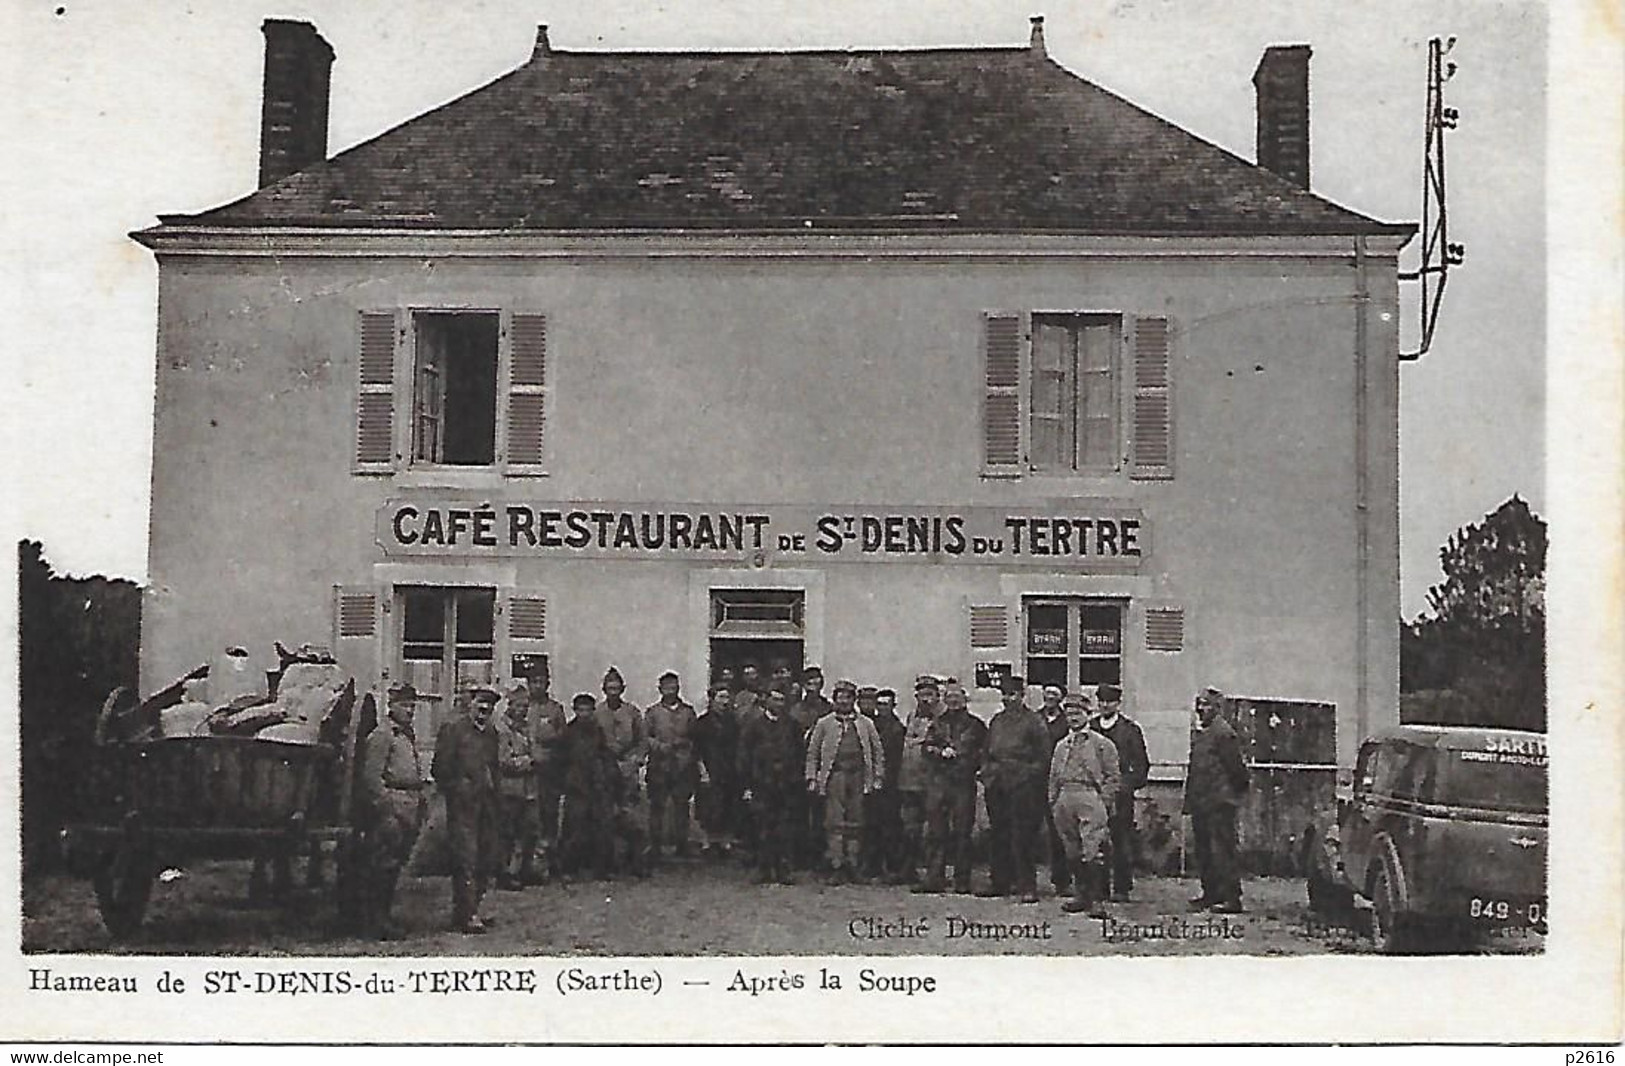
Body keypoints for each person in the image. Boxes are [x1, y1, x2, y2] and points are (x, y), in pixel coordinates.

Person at [357, 681, 431, 939]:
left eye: (412, 706)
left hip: (409, 805)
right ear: (391, 705)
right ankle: (375, 921)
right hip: (392, 808)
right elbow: (371, 778)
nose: (409, 711)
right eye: (404, 705)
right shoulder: (382, 735)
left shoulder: (406, 734)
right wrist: (386, 810)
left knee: (394, 866)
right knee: (382, 867)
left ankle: (384, 917)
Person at [431, 684, 501, 934]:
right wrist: (457, 787)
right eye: (480, 705)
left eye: (489, 706)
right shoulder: (454, 730)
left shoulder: (492, 733)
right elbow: (439, 768)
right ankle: (466, 913)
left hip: (487, 803)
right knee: (466, 858)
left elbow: (494, 766)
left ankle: (472, 909)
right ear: (471, 704)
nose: (484, 710)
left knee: (485, 856)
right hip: (463, 805)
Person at [1048, 692, 1121, 918]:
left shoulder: (1102, 744)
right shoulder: (1061, 745)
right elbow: (1053, 776)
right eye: (1069, 714)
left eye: (1078, 713)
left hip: (1090, 795)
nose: (1073, 718)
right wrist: (1053, 801)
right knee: (1072, 849)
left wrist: (1104, 801)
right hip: (1065, 796)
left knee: (1093, 848)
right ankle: (1081, 895)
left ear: (1088, 715)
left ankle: (1097, 899)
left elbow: (1113, 776)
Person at [804, 680, 884, 884]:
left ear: (853, 700)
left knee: (856, 822)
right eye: (840, 697)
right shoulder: (824, 723)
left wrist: (877, 777)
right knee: (834, 823)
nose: (843, 701)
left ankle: (853, 865)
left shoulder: (866, 724)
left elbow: (877, 752)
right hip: (834, 777)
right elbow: (812, 753)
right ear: (834, 699)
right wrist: (812, 778)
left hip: (858, 777)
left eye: (848, 697)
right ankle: (836, 865)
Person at [979, 675, 1050, 902]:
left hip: (1023, 787)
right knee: (998, 834)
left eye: (1012, 694)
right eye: (1005, 695)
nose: (1008, 699)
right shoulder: (997, 721)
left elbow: (1043, 758)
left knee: (1023, 836)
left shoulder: (1034, 721)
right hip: (997, 785)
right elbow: (987, 751)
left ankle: (1027, 885)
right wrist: (987, 772)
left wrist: (1026, 776)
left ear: (1022, 696)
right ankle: (1000, 882)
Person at [915, 682, 987, 894]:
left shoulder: (976, 725)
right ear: (944, 700)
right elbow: (926, 748)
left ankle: (962, 880)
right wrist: (940, 751)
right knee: (936, 831)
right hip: (939, 783)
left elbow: (985, 751)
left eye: (958, 696)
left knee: (963, 832)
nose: (954, 700)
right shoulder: (937, 723)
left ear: (966, 699)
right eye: (950, 696)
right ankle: (934, 878)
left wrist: (970, 763)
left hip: (963, 783)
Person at [1184, 687, 1249, 913]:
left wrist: (1229, 796)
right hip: (1201, 802)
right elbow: (1196, 770)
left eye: (1207, 705)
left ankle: (1231, 898)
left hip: (1219, 802)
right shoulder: (1202, 732)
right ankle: (1211, 894)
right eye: (1199, 705)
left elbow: (1237, 770)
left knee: (1223, 850)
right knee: (1203, 851)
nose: (1202, 709)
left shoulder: (1224, 733)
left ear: (1218, 708)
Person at [736, 686, 804, 885]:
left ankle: (784, 869)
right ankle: (764, 869)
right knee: (763, 827)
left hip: (785, 785)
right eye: (775, 699)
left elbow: (799, 754)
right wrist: (747, 785)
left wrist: (795, 779)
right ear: (766, 701)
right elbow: (744, 756)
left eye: (782, 700)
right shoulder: (754, 726)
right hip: (761, 785)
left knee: (785, 828)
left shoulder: (792, 726)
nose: (778, 704)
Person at [1091, 683, 1150, 901]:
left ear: (1118, 703)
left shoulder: (1130, 730)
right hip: (1095, 793)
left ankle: (1122, 887)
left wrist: (1126, 786)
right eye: (1102, 701)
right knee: (1096, 840)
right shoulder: (1091, 728)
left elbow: (1142, 766)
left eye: (1110, 701)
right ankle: (1099, 887)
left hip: (1120, 795)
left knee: (1121, 840)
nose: (1105, 705)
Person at [594, 667, 649, 877]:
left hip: (628, 768)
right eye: (609, 689)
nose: (613, 692)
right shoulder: (598, 713)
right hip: (606, 769)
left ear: (623, 689)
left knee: (632, 816)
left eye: (617, 688)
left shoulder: (632, 712)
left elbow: (642, 740)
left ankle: (636, 862)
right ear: (604, 690)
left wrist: (635, 759)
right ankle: (610, 863)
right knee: (608, 816)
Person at [556, 692, 612, 878]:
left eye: (588, 710)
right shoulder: (569, 732)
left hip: (596, 783)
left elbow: (605, 755)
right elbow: (562, 760)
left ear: (593, 711)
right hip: (576, 785)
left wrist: (605, 779)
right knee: (573, 827)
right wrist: (567, 783)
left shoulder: (598, 731)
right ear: (575, 711)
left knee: (601, 827)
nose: (584, 714)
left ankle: (601, 868)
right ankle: (568, 868)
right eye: (580, 710)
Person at [645, 670, 699, 861]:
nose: (670, 691)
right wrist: (661, 747)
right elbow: (646, 737)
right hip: (659, 766)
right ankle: (655, 845)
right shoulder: (653, 712)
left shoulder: (688, 712)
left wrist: (685, 751)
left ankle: (682, 844)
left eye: (673, 687)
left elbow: (695, 737)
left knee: (681, 806)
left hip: (682, 767)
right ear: (660, 689)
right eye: (666, 687)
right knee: (657, 807)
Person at [894, 674, 941, 885]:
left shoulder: (943, 719)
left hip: (932, 783)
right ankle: (908, 869)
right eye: (922, 695)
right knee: (909, 828)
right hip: (910, 781)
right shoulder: (912, 716)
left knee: (933, 830)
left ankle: (933, 874)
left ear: (937, 696)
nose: (926, 699)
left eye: (930, 695)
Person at [494, 682, 542, 889]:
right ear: (509, 705)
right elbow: (502, 760)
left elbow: (535, 751)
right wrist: (527, 761)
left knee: (528, 831)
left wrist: (531, 758)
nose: (522, 710)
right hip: (509, 788)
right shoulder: (502, 729)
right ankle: (504, 873)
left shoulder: (527, 727)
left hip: (529, 789)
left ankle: (524, 869)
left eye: (525, 706)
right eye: (518, 705)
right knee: (507, 833)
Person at [524, 662, 568, 876]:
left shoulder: (555, 709)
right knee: (530, 818)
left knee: (550, 816)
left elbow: (563, 738)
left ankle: (550, 861)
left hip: (550, 772)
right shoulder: (522, 707)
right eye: (534, 682)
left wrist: (551, 739)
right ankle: (528, 863)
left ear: (548, 683)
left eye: (541, 682)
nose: (538, 686)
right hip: (527, 774)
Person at [860, 686, 906, 879]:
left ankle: (892, 866)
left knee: (889, 826)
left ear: (893, 706)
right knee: (871, 825)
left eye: (886, 705)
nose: (882, 708)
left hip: (891, 783)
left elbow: (895, 758)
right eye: (879, 705)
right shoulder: (872, 725)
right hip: (873, 780)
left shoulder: (897, 729)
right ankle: (873, 865)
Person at [789, 666, 834, 868]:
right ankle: (799, 854)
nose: (814, 688)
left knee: (821, 812)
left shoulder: (828, 708)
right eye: (810, 684)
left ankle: (819, 854)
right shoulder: (795, 709)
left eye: (817, 683)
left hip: (823, 764)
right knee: (798, 811)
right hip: (798, 763)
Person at [693, 684, 742, 859]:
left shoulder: (733, 723)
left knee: (728, 805)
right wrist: (702, 771)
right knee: (707, 806)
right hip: (709, 768)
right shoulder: (702, 722)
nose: (724, 702)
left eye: (727, 698)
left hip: (728, 769)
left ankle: (724, 842)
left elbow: (738, 747)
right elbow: (696, 750)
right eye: (721, 697)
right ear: (712, 699)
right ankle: (706, 842)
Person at [1038, 684, 1072, 895]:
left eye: (1055, 695)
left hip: (1059, 782)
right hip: (1033, 782)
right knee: (1026, 830)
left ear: (1061, 698)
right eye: (1047, 693)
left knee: (1060, 832)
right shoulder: (1033, 719)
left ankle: (1062, 881)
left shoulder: (1067, 722)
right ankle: (1022, 880)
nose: (1050, 698)